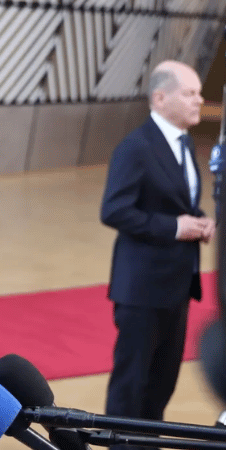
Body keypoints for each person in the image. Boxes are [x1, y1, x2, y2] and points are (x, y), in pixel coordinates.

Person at [101, 60, 215, 450]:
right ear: (161, 98)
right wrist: (174, 228)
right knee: (131, 386)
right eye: (190, 93)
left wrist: (198, 220)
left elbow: (175, 202)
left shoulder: (183, 144)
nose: (199, 100)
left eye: (200, 93)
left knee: (161, 386)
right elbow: (114, 210)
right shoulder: (135, 147)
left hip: (176, 288)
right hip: (142, 290)